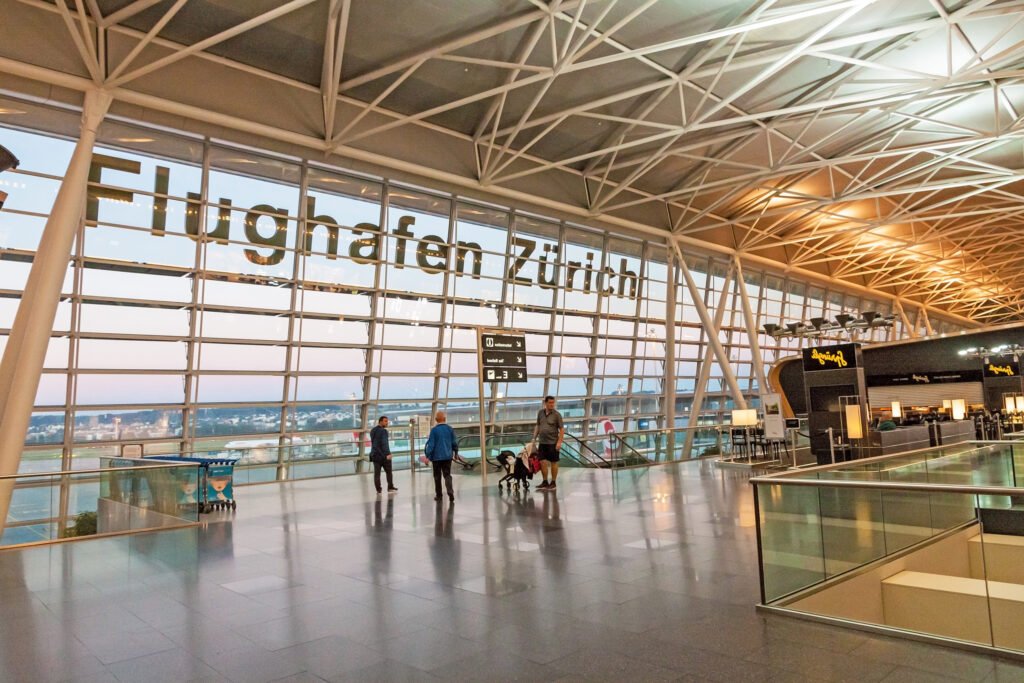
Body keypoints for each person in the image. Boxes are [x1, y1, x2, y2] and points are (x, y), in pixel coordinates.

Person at [533, 395, 564, 491]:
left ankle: (553, 482)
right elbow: (538, 425)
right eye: (550, 403)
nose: (552, 404)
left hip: (553, 443)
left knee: (553, 462)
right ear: (545, 403)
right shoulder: (540, 413)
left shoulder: (557, 415)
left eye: (553, 403)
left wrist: (559, 442)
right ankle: (545, 481)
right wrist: (534, 438)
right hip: (542, 442)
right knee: (542, 462)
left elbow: (562, 429)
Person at [424, 411, 456, 502]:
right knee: (447, 475)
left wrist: (427, 456)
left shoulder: (434, 430)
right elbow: (454, 442)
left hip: (436, 458)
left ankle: (439, 495)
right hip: (447, 457)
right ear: (445, 419)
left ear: (436, 420)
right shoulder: (450, 429)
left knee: (437, 477)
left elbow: (431, 445)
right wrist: (456, 453)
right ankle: (450, 492)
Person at [369, 416, 397, 494]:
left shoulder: (373, 430)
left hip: (375, 455)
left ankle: (378, 489)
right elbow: (384, 444)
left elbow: (374, 443)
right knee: (389, 472)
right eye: (385, 421)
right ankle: (390, 487)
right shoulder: (383, 431)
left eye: (387, 421)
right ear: (380, 421)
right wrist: (388, 454)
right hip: (384, 456)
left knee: (377, 474)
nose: (387, 423)